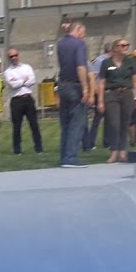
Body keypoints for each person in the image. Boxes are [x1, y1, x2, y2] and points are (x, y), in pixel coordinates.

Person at [96, 38, 136, 163]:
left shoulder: (130, 62)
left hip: (126, 93)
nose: (125, 47)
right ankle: (113, 151)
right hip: (112, 95)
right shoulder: (106, 63)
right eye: (122, 45)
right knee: (114, 123)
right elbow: (102, 82)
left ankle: (122, 151)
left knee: (125, 123)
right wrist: (100, 101)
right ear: (115, 48)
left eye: (127, 45)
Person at [56, 22, 92, 168]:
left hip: (62, 84)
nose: (84, 35)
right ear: (78, 30)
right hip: (74, 85)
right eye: (83, 32)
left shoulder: (60, 44)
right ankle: (71, 157)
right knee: (76, 123)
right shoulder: (79, 45)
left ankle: (64, 156)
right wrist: (85, 88)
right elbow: (81, 67)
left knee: (65, 124)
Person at [4, 48, 42, 154]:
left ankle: (38, 148)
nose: (14, 58)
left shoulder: (27, 67)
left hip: (28, 99)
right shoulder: (8, 71)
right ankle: (17, 150)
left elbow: (32, 80)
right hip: (16, 101)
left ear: (18, 55)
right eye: (11, 56)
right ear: (9, 58)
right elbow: (12, 85)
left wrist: (18, 81)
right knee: (17, 126)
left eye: (15, 55)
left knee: (34, 125)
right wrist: (24, 80)